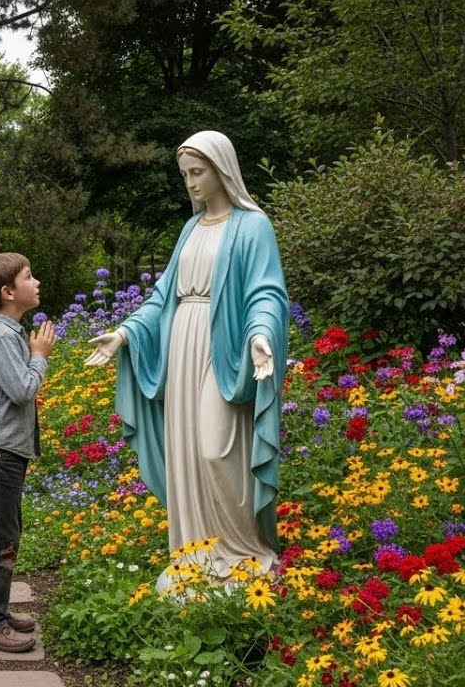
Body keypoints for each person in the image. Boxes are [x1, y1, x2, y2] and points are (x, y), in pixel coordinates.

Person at [84, 131, 288, 593]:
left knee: (217, 448)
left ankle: (243, 549)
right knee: (188, 453)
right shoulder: (190, 229)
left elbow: (266, 291)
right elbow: (162, 299)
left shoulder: (253, 225)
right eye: (185, 175)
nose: (191, 183)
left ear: (222, 170)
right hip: (182, 344)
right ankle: (197, 551)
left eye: (198, 172)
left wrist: (260, 335)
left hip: (225, 347)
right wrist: (123, 333)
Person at [0, 252, 56, 652]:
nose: (35, 283)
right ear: (7, 292)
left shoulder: (7, 333)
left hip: (4, 452)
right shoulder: (2, 337)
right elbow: (22, 391)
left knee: (6, 535)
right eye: (28, 277)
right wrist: (39, 358)